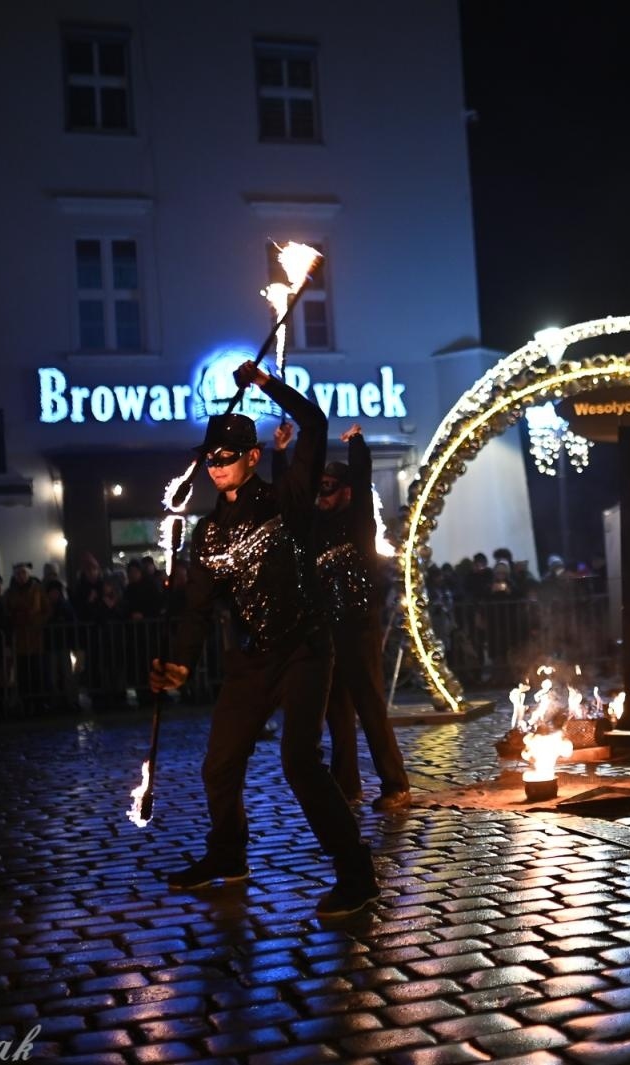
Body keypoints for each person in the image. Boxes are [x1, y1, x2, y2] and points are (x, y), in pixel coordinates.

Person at [148, 360, 377, 916]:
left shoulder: (288, 500)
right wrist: (178, 663)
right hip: (250, 660)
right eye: (211, 458)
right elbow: (198, 610)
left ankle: (357, 874)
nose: (218, 466)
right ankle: (228, 855)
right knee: (219, 764)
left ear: (252, 457)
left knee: (300, 761)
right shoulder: (207, 534)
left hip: (304, 647)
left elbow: (316, 425)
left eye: (228, 456)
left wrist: (265, 384)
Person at [274, 419, 412, 811]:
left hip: (359, 626)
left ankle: (395, 783)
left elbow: (363, 480)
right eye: (321, 488)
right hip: (327, 628)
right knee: (336, 710)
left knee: (369, 705)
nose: (322, 494)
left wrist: (357, 445)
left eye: (329, 488)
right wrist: (281, 454)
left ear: (347, 491)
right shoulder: (316, 525)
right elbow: (290, 501)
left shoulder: (358, 523)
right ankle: (346, 785)